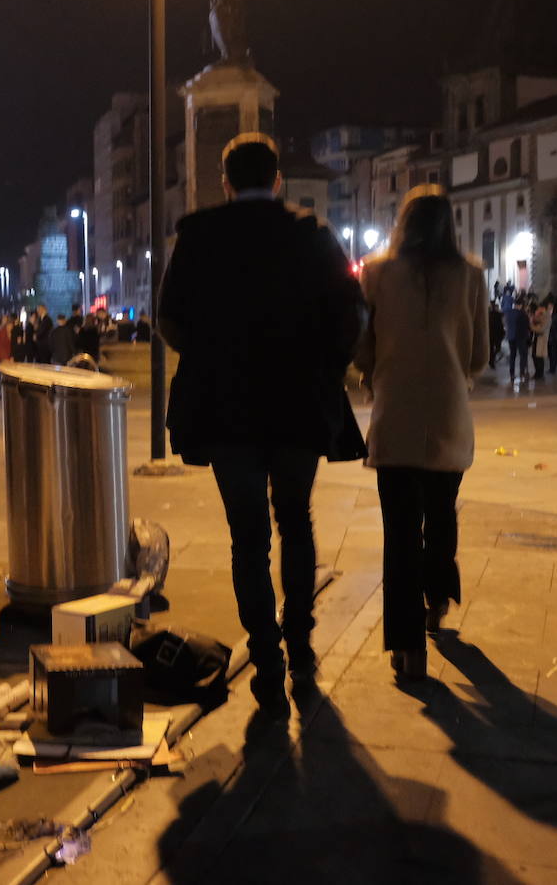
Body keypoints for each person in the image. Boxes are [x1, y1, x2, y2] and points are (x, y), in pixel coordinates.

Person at [159, 132, 365, 718]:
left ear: (224, 182)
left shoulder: (197, 235)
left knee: (247, 537)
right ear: (278, 181)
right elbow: (350, 313)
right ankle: (300, 644)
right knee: (295, 521)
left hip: (227, 410)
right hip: (298, 403)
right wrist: (326, 364)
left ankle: (267, 658)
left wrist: (207, 356)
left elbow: (170, 320)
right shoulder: (312, 236)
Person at [355, 186, 488, 681]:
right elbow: (479, 356)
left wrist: (375, 372)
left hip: (395, 415)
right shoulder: (471, 275)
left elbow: (362, 347)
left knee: (400, 532)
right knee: (441, 512)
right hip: (450, 415)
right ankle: (437, 599)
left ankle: (408, 647)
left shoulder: (377, 272)